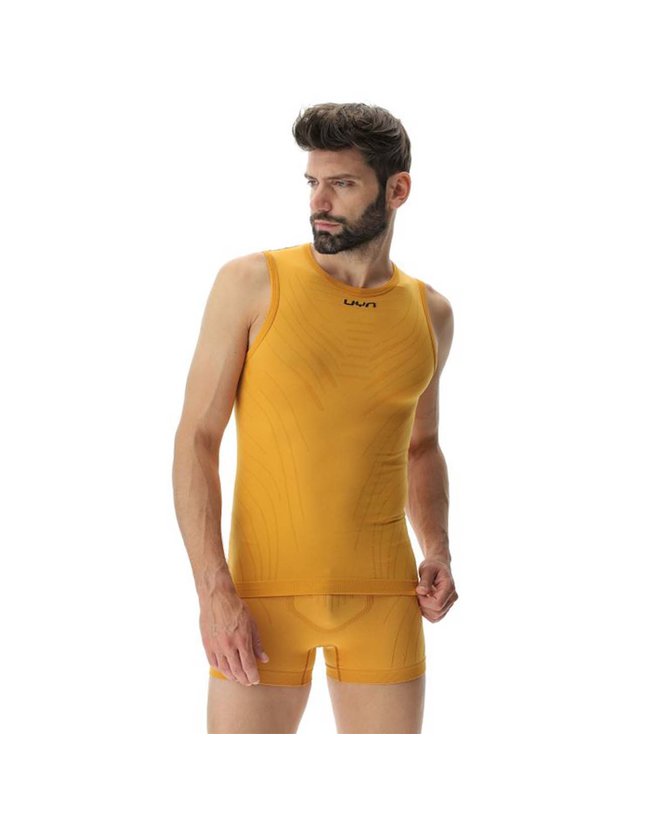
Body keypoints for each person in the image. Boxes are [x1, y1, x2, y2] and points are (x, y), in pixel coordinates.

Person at [172, 102, 457, 734]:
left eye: (342, 184)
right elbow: (196, 440)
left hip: (386, 601)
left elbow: (423, 446)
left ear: (398, 190)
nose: (318, 202)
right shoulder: (252, 283)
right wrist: (214, 593)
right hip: (259, 601)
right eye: (312, 182)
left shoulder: (429, 312)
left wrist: (437, 547)